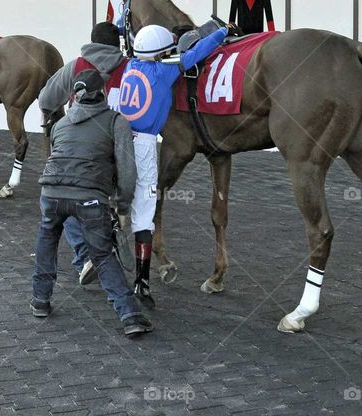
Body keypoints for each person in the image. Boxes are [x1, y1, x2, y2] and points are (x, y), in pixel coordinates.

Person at [32, 69, 153, 338]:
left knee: (47, 240)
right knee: (101, 255)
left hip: (50, 193)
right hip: (89, 196)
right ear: (103, 93)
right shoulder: (116, 122)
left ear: (75, 95)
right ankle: (130, 315)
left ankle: (40, 301)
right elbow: (127, 171)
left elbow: (60, 158)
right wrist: (122, 206)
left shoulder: (60, 125)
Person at [118, 19, 228, 307]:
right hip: (142, 146)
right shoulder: (165, 70)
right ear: (161, 53)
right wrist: (222, 32)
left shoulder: (131, 66)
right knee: (145, 210)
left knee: (117, 196)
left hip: (116, 141)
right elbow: (196, 53)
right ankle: (142, 282)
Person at [38, 21, 127, 285]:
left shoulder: (76, 66)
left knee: (64, 200)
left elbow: (46, 101)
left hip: (83, 155)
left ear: (91, 41)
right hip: (122, 147)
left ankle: (85, 255)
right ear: (118, 44)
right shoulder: (130, 66)